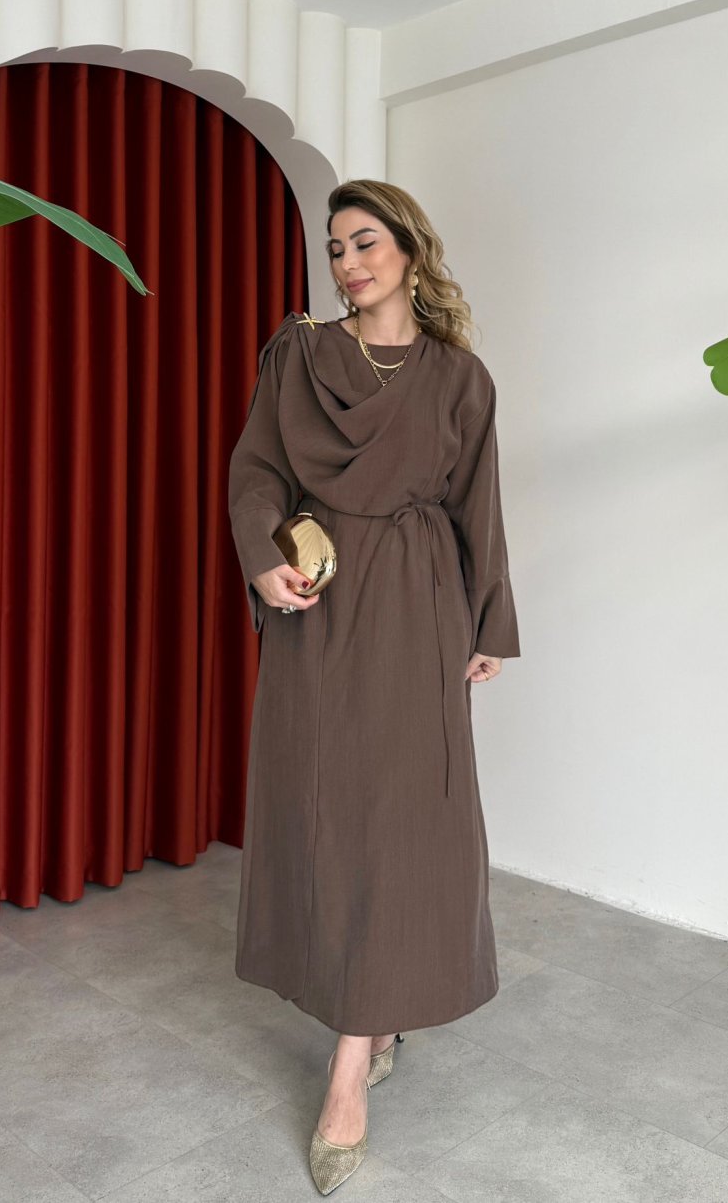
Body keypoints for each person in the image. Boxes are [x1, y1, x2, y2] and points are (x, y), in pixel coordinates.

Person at [227, 179, 520, 1194]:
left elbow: (480, 504)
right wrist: (264, 560)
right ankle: (369, 1009)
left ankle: (351, 1062)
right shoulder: (299, 357)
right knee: (327, 810)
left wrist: (489, 624)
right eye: (335, 248)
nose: (347, 264)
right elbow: (256, 472)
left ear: (407, 249)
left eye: (364, 243)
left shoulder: (460, 377)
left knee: (401, 816)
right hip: (321, 604)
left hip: (419, 604)